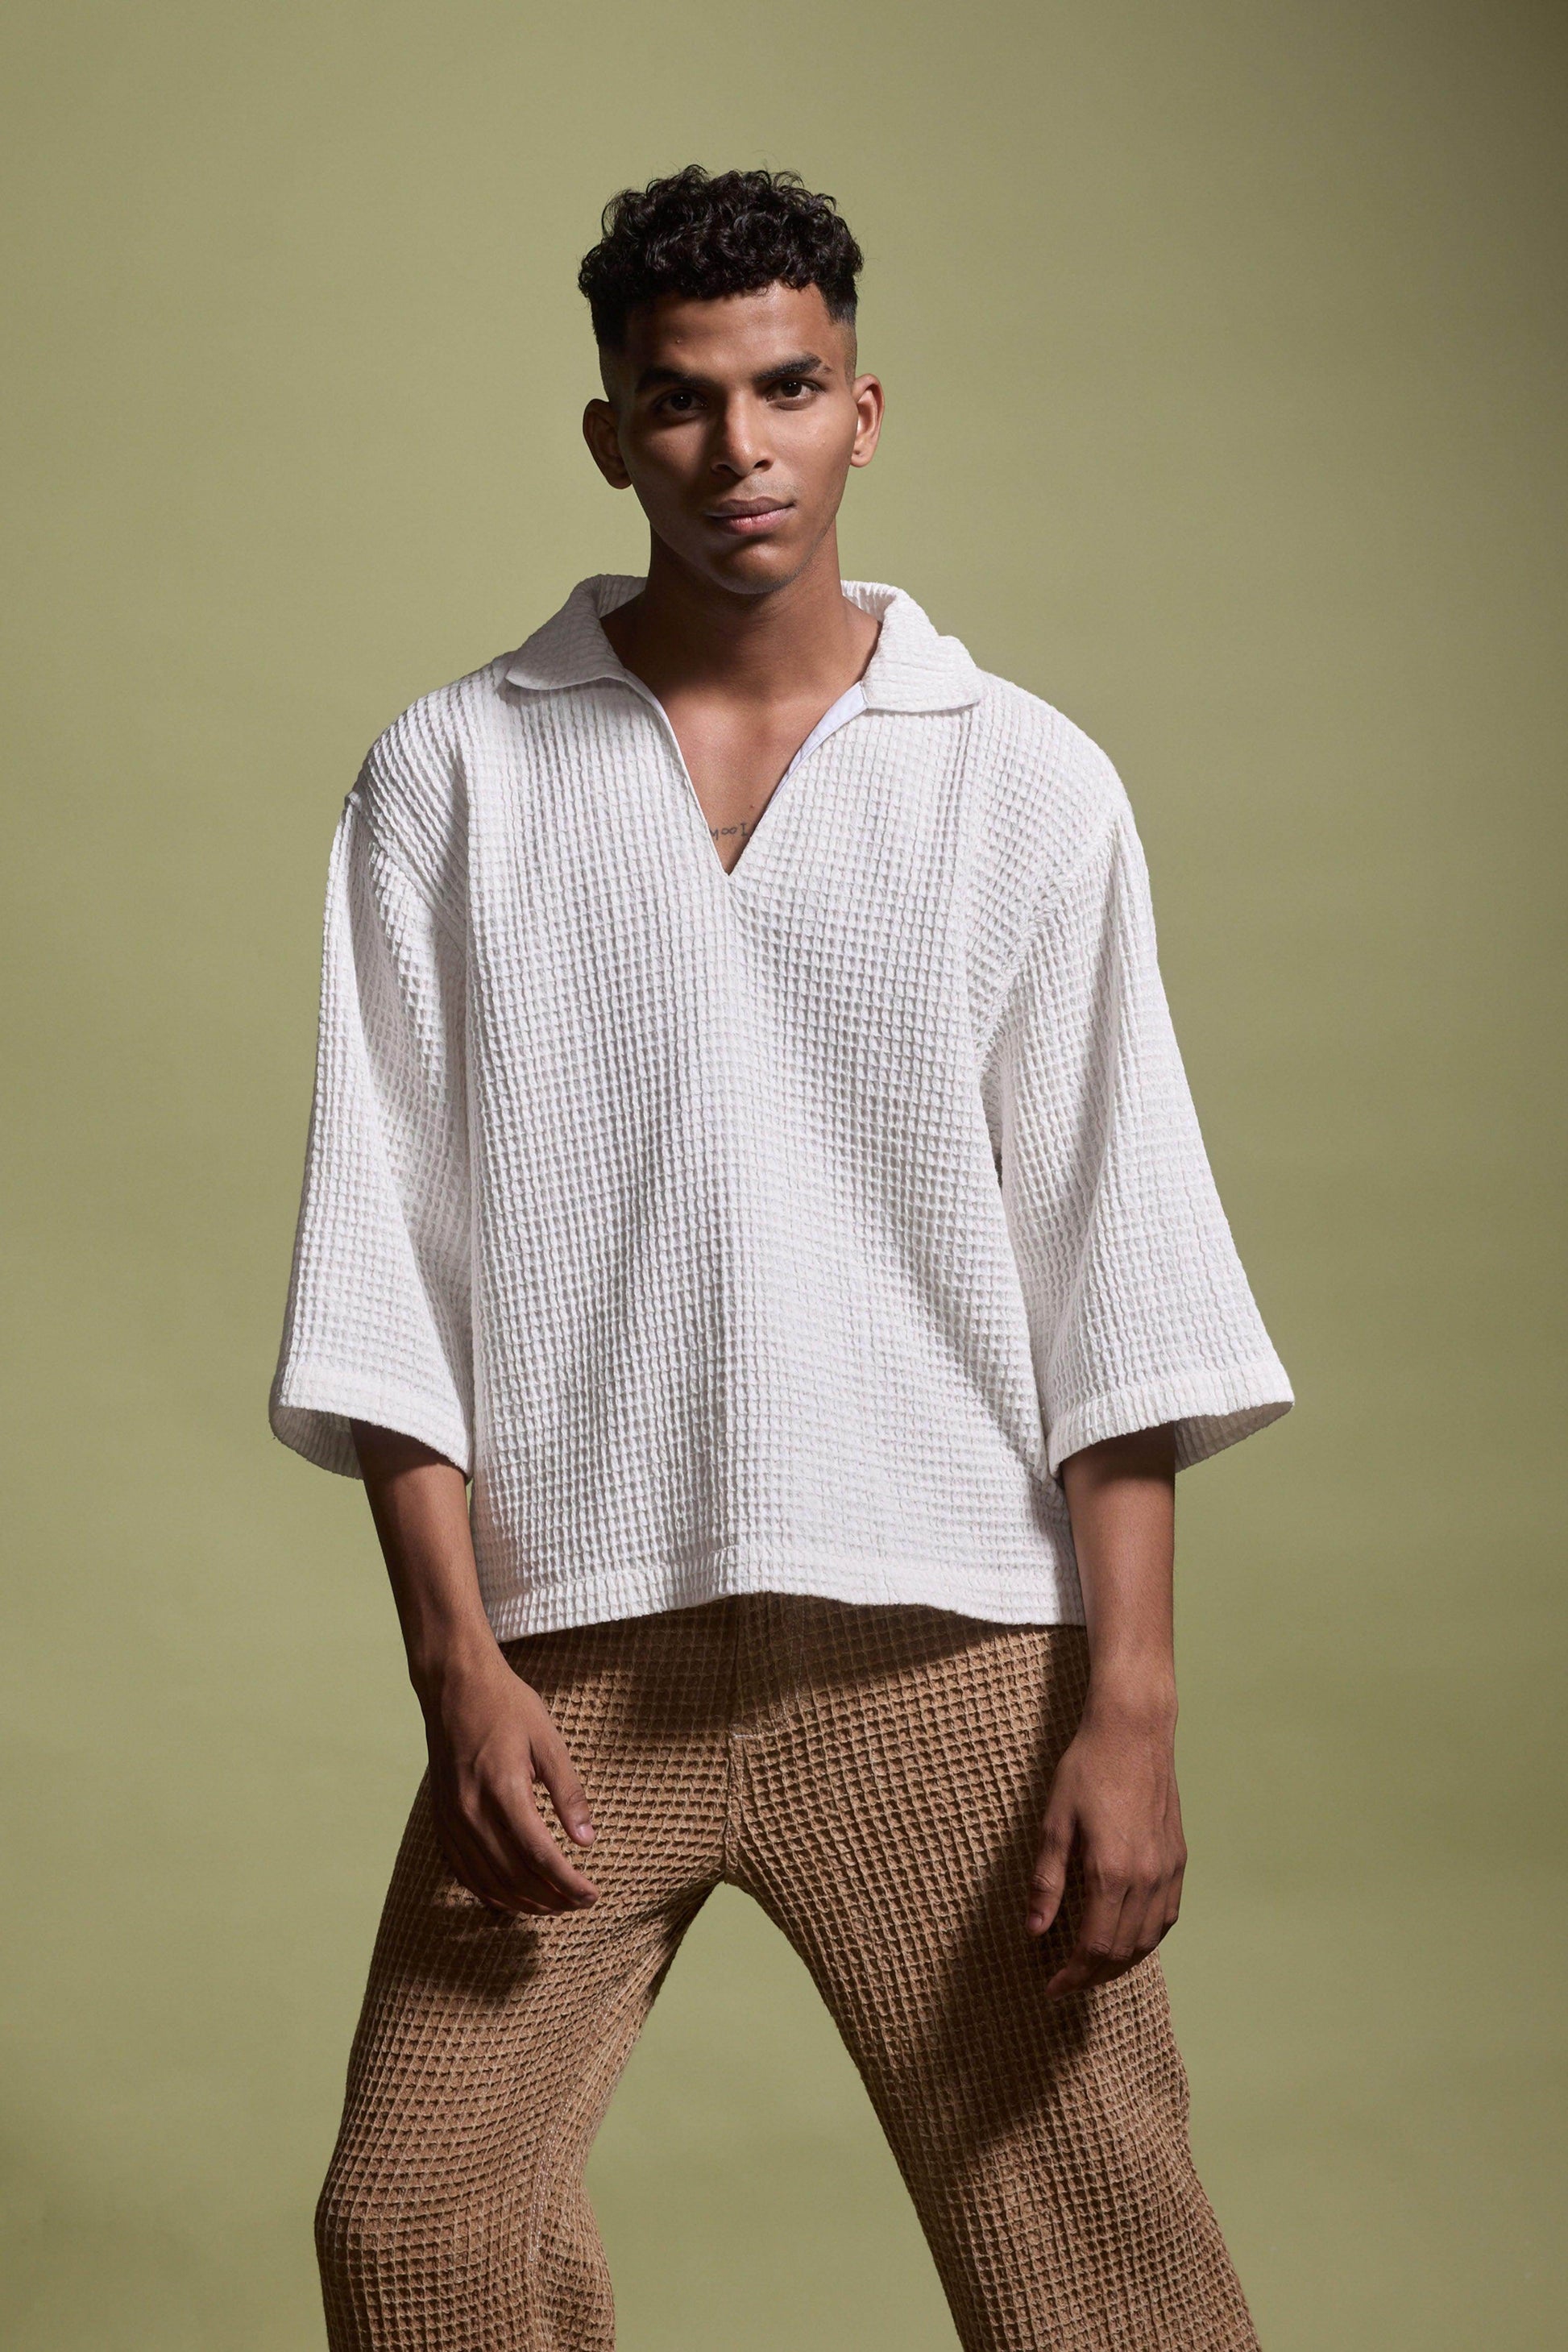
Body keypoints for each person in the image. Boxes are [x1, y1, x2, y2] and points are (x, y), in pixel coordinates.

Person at [270, 164, 1293, 2352]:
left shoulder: (1021, 783)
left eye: (788, 388)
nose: (738, 447)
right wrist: (454, 1666)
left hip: (945, 1647)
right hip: (571, 1654)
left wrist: (1128, 1708)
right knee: (418, 2232)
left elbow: (1114, 1267)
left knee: (1095, 2277)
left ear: (862, 409)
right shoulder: (453, 776)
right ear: (609, 433)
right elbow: (384, 1257)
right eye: (680, 400)